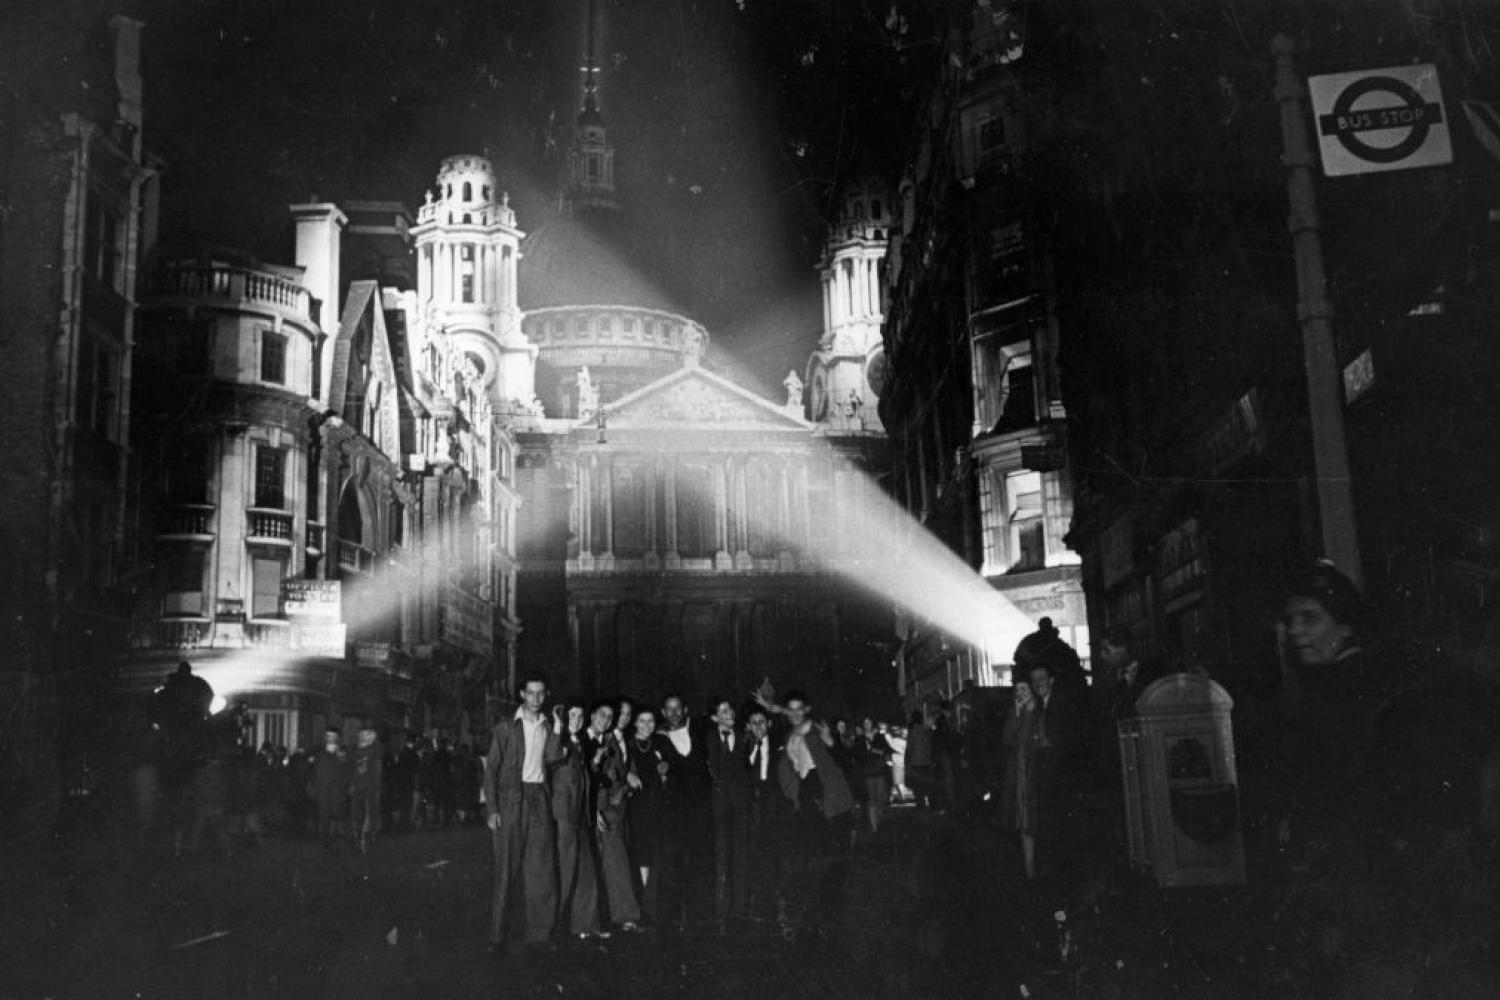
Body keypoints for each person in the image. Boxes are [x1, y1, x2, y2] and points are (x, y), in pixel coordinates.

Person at [484, 670, 562, 952]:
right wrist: (492, 809)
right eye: (530, 693)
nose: (536, 698)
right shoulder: (506, 728)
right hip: (511, 801)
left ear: (546, 695)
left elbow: (553, 759)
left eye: (541, 693)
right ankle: (497, 936)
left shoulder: (547, 726)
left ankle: (540, 935)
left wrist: (559, 727)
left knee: (540, 869)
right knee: (505, 871)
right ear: (521, 695)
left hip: (538, 797)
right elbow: (491, 769)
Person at [582, 699, 642, 933]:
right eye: (620, 714)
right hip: (600, 808)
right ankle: (603, 918)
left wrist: (625, 786)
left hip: (615, 808)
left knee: (615, 861)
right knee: (605, 861)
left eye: (628, 714)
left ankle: (621, 916)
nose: (623, 718)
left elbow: (622, 772)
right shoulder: (595, 739)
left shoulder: (615, 739)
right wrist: (596, 808)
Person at [1027, 660, 1088, 880]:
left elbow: (1072, 737)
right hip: (1045, 773)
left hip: (1061, 772)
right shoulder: (1039, 706)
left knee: (1062, 823)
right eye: (1034, 681)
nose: (1038, 684)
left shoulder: (1062, 703)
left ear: (1051, 681)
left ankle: (1066, 871)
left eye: (1042, 679)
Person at [550, 700, 604, 941]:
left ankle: (585, 925)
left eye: (581, 716)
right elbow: (552, 757)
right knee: (565, 872)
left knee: (586, 871)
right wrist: (558, 725)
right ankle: (554, 928)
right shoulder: (557, 741)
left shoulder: (579, 743)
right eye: (572, 715)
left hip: (580, 816)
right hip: (564, 816)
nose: (578, 720)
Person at [704, 696, 751, 924]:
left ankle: (739, 910)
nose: (730, 713)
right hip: (717, 808)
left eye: (731, 708)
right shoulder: (708, 739)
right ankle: (719, 909)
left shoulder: (743, 737)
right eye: (724, 710)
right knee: (720, 856)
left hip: (739, 807)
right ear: (715, 717)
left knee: (739, 854)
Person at [624, 706, 670, 907]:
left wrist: (665, 771)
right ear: (634, 722)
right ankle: (640, 902)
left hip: (656, 805)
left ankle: (649, 902)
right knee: (639, 852)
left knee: (653, 852)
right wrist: (628, 775)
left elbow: (670, 767)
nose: (646, 725)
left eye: (650, 720)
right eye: (642, 720)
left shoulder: (661, 741)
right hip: (635, 806)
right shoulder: (627, 744)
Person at [999, 681, 1041, 879]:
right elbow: (1008, 739)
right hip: (1019, 774)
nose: (1019, 693)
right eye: (1016, 690)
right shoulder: (1017, 713)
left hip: (1034, 772)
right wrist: (1015, 715)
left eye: (1023, 689)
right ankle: (1029, 870)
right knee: (1023, 821)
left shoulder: (1039, 712)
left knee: (1034, 819)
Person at [852, 717, 892, 839]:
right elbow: (856, 755)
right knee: (872, 801)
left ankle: (879, 823)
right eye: (864, 723)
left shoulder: (879, 737)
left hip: (879, 772)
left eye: (868, 722)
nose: (866, 724)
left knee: (881, 799)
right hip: (867, 773)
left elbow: (887, 751)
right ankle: (875, 828)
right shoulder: (860, 739)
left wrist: (874, 750)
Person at [312, 727, 349, 849]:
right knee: (324, 815)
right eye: (327, 736)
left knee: (337, 815)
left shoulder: (342, 754)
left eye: (332, 736)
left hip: (336, 791)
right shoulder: (320, 753)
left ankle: (336, 838)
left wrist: (343, 788)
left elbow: (345, 771)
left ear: (337, 738)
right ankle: (325, 841)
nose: (329, 738)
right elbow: (315, 771)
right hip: (323, 790)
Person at [348, 721, 382, 852]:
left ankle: (368, 835)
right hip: (358, 785)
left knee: (370, 811)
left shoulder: (375, 750)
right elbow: (351, 767)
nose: (363, 736)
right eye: (362, 733)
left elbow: (377, 769)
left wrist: (376, 785)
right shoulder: (355, 749)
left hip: (370, 786)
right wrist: (351, 783)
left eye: (366, 733)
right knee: (356, 811)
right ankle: (357, 834)